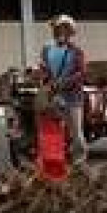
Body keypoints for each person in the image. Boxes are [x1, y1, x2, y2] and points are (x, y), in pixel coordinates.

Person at [40, 15, 87, 162]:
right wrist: (41, 75)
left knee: (76, 132)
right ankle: (55, 159)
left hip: (73, 96)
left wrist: (66, 82)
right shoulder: (47, 50)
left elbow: (82, 72)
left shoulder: (76, 51)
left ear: (70, 32)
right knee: (53, 130)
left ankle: (79, 162)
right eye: (57, 29)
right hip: (54, 96)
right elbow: (45, 70)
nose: (60, 33)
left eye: (64, 29)